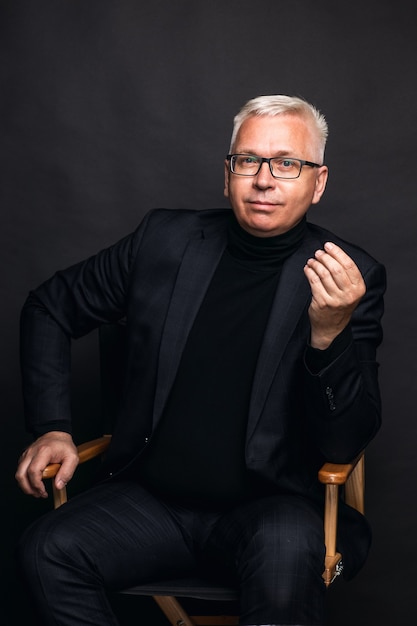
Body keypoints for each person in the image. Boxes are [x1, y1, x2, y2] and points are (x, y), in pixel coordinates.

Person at [15, 94, 386, 626]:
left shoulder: (349, 276)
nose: (264, 179)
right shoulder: (162, 241)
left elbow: (346, 441)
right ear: (228, 172)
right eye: (248, 161)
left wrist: (330, 336)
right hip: (151, 503)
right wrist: (52, 425)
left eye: (287, 163)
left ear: (318, 182)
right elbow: (50, 306)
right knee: (46, 548)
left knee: (286, 556)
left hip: (271, 509)